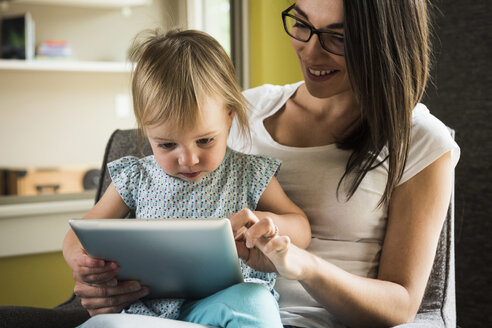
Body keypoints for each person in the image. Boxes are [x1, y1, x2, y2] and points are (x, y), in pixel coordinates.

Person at [68, 0, 461, 327]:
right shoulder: (242, 108)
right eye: (302, 24)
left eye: (337, 37)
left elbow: (402, 304)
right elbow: (88, 238)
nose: (309, 50)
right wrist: (97, 282)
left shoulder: (422, 141)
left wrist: (298, 263)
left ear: (385, 41)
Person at [62, 29, 311, 328]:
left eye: (205, 140)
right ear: (146, 130)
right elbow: (78, 233)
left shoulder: (249, 173)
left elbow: (301, 227)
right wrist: (81, 260)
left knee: (255, 301)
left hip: (223, 306)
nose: (188, 159)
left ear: (229, 116)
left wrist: (267, 225)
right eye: (167, 145)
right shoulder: (135, 177)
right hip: (147, 313)